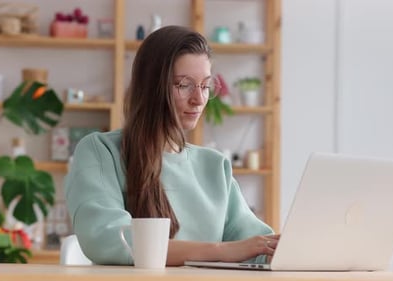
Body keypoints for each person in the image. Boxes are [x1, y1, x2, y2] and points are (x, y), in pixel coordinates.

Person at [64, 25, 279, 266]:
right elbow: (106, 239)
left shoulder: (214, 165)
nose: (198, 99)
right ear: (152, 87)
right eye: (184, 85)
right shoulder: (101, 151)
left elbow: (255, 245)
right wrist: (221, 251)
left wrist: (292, 245)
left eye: (205, 86)